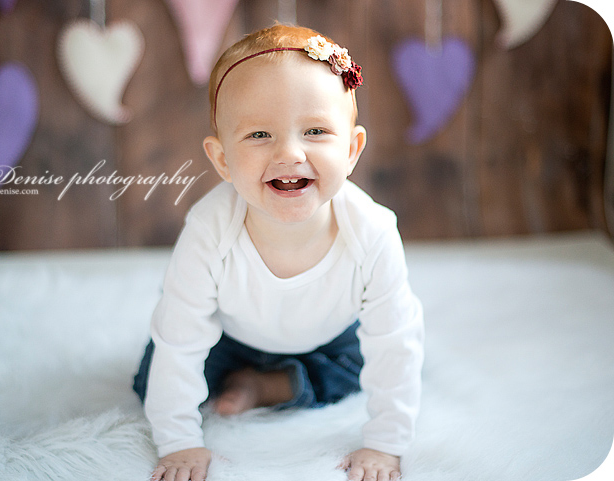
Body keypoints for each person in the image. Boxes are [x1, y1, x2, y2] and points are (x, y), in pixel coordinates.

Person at [133, 24, 424, 481]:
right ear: (222, 159)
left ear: (351, 150)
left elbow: (394, 341)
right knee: (156, 369)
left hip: (330, 339)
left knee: (367, 364)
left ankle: (270, 385)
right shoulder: (210, 228)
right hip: (228, 337)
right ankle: (262, 377)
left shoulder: (372, 231)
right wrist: (180, 443)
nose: (289, 153)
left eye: (315, 131)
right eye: (259, 135)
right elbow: (181, 339)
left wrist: (385, 446)